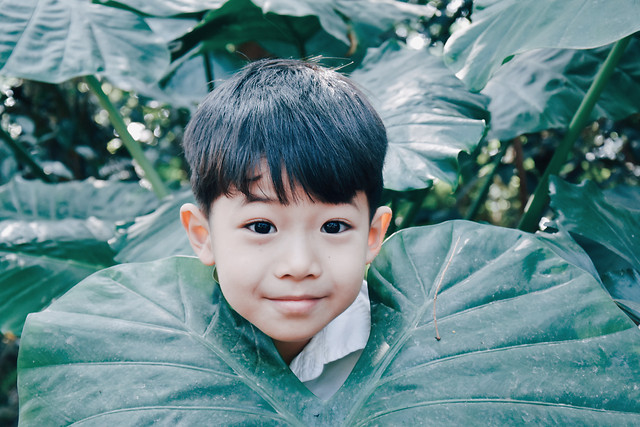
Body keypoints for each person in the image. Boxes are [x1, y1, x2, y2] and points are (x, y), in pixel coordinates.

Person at [179, 58, 392, 399]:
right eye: (261, 226)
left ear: (372, 235)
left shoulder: (403, 347)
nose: (298, 266)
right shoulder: (168, 357)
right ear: (204, 237)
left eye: (333, 226)